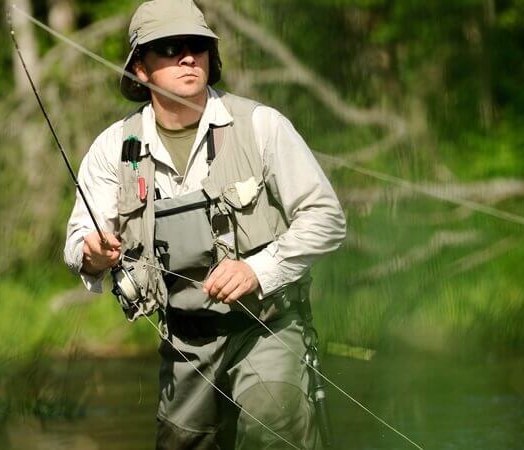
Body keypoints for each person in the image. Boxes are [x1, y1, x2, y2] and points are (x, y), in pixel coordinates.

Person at [64, 0, 346, 448]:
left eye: (198, 45)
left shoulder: (260, 126)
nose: (188, 57)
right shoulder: (114, 148)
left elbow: (327, 218)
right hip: (184, 343)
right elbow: (78, 242)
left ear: (212, 57)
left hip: (266, 325)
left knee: (272, 426)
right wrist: (92, 252)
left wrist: (258, 269)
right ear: (140, 69)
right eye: (170, 48)